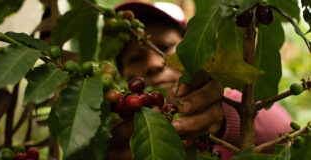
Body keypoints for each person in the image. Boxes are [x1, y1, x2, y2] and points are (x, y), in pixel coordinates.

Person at [105, 1, 292, 160]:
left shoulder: (228, 101)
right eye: (135, 58)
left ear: (195, 49)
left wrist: (223, 119)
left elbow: (285, 133)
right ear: (122, 75)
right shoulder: (114, 129)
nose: (153, 63)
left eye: (165, 46)